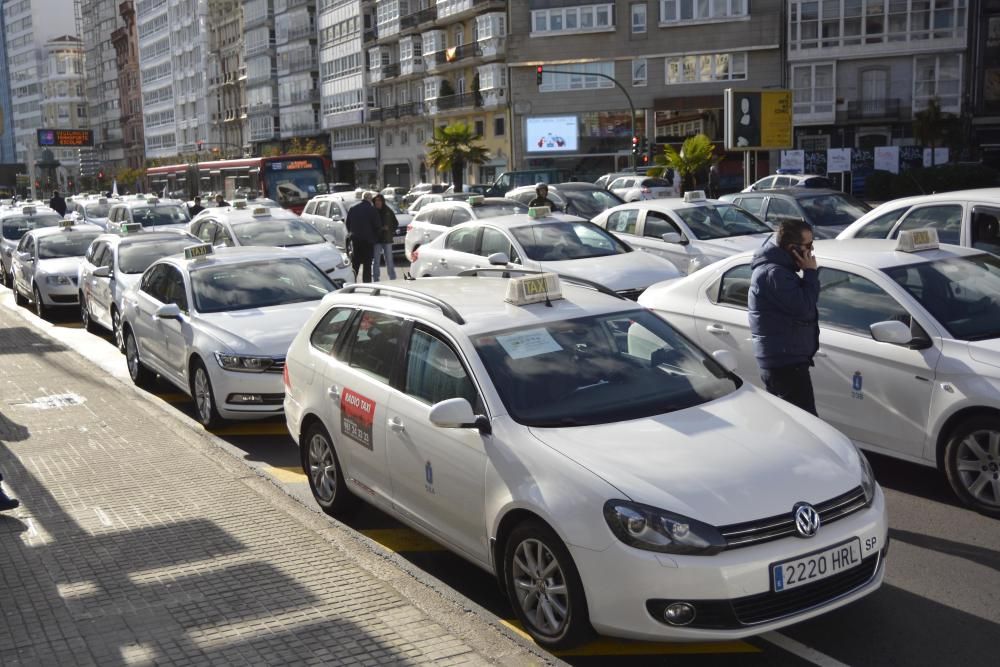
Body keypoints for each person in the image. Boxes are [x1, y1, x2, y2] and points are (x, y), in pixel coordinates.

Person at [748, 219, 820, 416]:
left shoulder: (779, 271)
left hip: (785, 361)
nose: (811, 251)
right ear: (791, 248)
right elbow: (804, 306)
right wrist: (811, 273)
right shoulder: (774, 274)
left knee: (792, 424)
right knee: (806, 427)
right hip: (785, 365)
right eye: (808, 245)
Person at [346, 192, 379, 282]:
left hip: (356, 240)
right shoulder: (372, 210)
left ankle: (353, 282)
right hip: (368, 241)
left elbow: (348, 224)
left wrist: (352, 233)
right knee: (367, 265)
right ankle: (366, 284)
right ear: (370, 199)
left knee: (355, 263)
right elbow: (377, 226)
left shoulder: (353, 209)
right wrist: (375, 238)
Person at [372, 194, 398, 282]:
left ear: (382, 201)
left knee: (389, 260)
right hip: (376, 240)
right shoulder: (372, 211)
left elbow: (395, 223)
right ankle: (376, 279)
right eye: (376, 201)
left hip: (387, 239)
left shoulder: (388, 210)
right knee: (376, 260)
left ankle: (393, 278)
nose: (377, 202)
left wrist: (390, 231)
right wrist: (379, 229)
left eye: (379, 200)